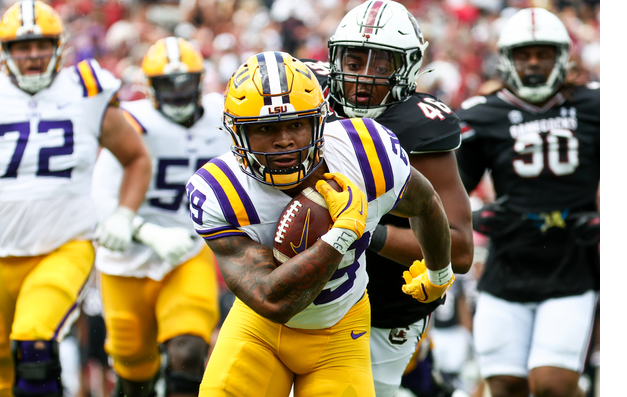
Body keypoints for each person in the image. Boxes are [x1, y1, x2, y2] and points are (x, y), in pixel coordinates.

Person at [185, 52, 454, 396]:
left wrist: (439, 273)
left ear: (320, 121)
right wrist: (340, 236)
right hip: (260, 329)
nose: (284, 140)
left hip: (340, 329)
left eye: (296, 124)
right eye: (266, 128)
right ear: (238, 134)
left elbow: (427, 202)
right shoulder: (220, 191)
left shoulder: (366, 153)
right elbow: (274, 302)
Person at [0, 0, 151, 397]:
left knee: (35, 341)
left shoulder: (86, 90)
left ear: (59, 46)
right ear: (3, 52)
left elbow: (136, 159)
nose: (33, 55)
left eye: (42, 44)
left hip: (66, 244)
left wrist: (123, 215)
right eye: (22, 47)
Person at [301, 0, 474, 397]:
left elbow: (459, 251)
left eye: (382, 65)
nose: (363, 77)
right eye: (354, 60)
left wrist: (360, 230)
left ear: (408, 67)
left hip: (384, 311)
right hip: (308, 298)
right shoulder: (308, 98)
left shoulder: (420, 128)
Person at [456, 8, 599, 397]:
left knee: (553, 384)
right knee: (504, 386)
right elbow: (447, 191)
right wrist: (475, 216)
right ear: (506, 59)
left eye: (543, 53)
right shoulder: (481, 114)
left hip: (571, 264)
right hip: (508, 263)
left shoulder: (596, 105)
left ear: (562, 57)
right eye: (524, 54)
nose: (534, 63)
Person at [90, 37, 230, 397]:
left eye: (186, 83)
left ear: (201, 81)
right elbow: (99, 196)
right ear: (149, 87)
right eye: (168, 85)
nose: (179, 92)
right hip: (126, 258)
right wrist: (145, 231)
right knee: (133, 366)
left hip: (187, 248)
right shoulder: (134, 121)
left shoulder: (222, 115)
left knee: (190, 348)